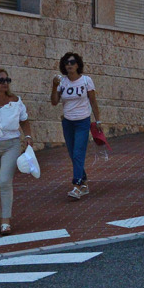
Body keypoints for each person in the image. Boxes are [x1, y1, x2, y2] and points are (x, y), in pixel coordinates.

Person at [50, 51, 101, 200]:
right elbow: (54, 102)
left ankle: (77, 185)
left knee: (78, 153)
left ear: (78, 64)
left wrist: (98, 121)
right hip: (68, 122)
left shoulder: (86, 80)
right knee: (73, 154)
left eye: (72, 62)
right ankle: (84, 182)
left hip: (82, 121)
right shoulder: (62, 82)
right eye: (66, 63)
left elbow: (93, 101)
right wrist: (54, 86)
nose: (69, 65)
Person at [0, 68, 32, 235]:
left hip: (11, 145)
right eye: (1, 80)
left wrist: (28, 136)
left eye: (7, 80)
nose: (5, 83)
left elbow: (24, 120)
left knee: (3, 181)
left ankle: (5, 221)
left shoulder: (16, 101)